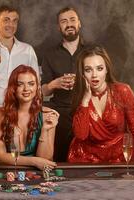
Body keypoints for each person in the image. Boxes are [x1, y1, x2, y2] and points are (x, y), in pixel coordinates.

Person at [0, 65, 59, 170]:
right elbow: (0, 157)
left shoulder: (47, 114)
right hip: (9, 171)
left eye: (31, 84)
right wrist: (33, 161)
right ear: (13, 88)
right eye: (20, 84)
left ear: (37, 86)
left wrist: (45, 130)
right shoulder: (0, 114)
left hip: (38, 173)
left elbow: (46, 159)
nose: (26, 89)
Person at [41, 7, 85, 161]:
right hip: (60, 112)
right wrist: (54, 84)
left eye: (73, 19)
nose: (69, 24)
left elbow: (105, 84)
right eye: (64, 21)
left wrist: (82, 83)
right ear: (59, 27)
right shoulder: (49, 54)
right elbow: (42, 92)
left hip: (86, 109)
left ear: (79, 23)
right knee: (58, 157)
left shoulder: (93, 51)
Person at [0, 5, 39, 108]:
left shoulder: (27, 50)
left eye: (15, 21)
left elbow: (36, 82)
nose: (11, 25)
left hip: (20, 108)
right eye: (6, 20)